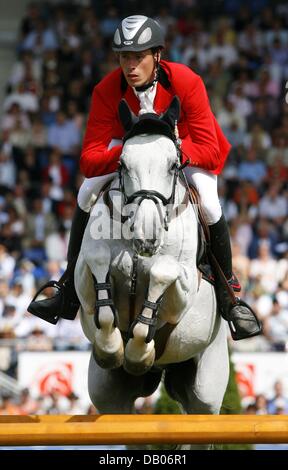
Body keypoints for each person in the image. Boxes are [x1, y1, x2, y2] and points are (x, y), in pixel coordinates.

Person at [28, 15, 261, 340]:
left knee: (208, 201)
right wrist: (127, 156)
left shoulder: (186, 80)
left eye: (139, 56)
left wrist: (173, 153)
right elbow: (89, 158)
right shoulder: (107, 89)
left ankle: (229, 293)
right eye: (125, 56)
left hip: (187, 148)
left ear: (157, 56)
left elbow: (210, 148)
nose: (131, 65)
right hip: (129, 153)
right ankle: (67, 289)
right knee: (85, 194)